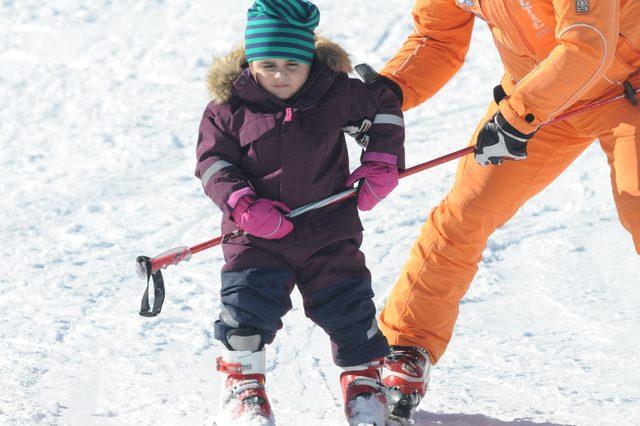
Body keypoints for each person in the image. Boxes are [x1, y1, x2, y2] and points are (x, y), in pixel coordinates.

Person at [366, 0, 640, 421]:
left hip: (628, 87)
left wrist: (517, 114)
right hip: (544, 99)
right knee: (465, 213)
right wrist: (388, 91)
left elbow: (588, 43)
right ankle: (405, 347)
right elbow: (437, 39)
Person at [194, 1, 405, 423]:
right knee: (245, 311)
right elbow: (212, 164)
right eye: (267, 63)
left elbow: (386, 102)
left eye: (293, 63)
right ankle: (243, 388)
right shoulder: (228, 108)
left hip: (329, 231)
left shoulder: (335, 91)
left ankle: (363, 386)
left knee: (349, 308)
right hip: (256, 237)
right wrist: (243, 205)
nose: (280, 74)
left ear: (310, 59)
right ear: (250, 61)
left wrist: (382, 159)